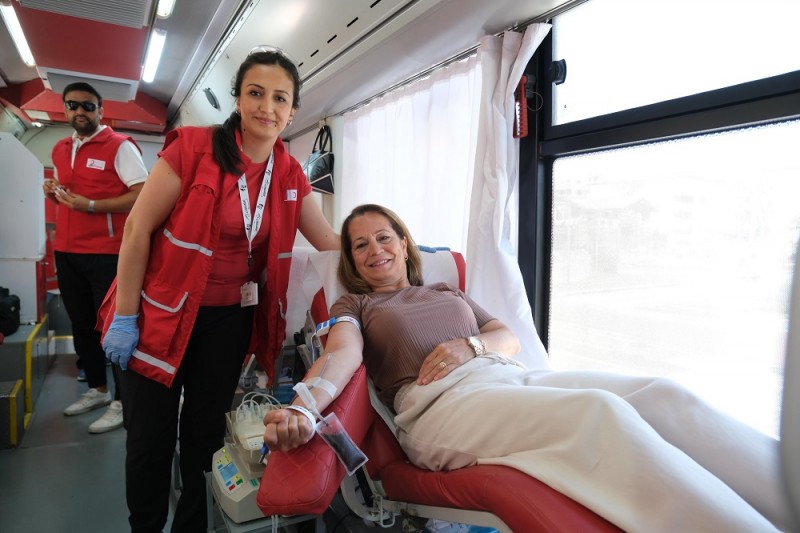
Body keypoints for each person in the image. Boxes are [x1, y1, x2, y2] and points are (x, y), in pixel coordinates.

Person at [263, 203, 791, 533]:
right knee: (599, 414)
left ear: (403, 242)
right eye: (360, 245)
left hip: (506, 377)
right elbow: (342, 354)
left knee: (663, 395)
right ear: (353, 263)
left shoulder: (445, 290)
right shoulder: (356, 305)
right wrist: (304, 407)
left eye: (383, 236)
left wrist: (470, 346)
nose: (374, 249)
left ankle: (787, 502)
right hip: (440, 408)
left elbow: (507, 337)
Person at [98, 48, 340, 532]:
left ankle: (192, 526)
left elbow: (329, 243)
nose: (267, 108)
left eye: (280, 98)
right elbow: (137, 230)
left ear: (293, 111)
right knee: (149, 440)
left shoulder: (290, 174)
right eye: (256, 94)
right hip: (157, 314)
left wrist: (389, 254)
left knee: (205, 438)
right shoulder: (191, 148)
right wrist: (125, 316)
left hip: (227, 322)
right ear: (238, 99)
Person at [43, 82, 148, 434]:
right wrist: (53, 192)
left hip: (108, 252)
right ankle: (98, 390)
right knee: (82, 324)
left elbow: (141, 193)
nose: (79, 112)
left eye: (87, 106)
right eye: (72, 105)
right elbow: (68, 192)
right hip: (67, 249)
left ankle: (122, 401)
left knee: (114, 330)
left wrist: (92, 205)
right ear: (64, 109)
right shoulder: (60, 148)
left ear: (101, 111)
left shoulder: (120, 146)